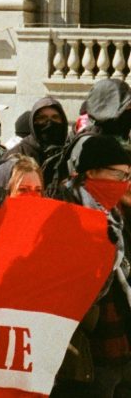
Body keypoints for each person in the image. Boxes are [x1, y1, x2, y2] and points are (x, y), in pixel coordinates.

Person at [54, 136, 131, 396]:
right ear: (91, 172)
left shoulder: (114, 212)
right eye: (118, 175)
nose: (124, 183)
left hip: (118, 330)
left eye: (128, 175)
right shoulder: (65, 210)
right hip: (89, 340)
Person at [0, 97, 67, 189]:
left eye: (55, 117)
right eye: (42, 118)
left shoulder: (67, 153)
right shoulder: (17, 154)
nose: (49, 123)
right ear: (33, 122)